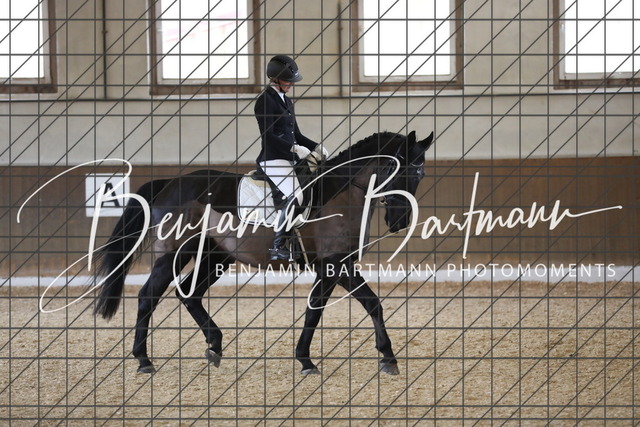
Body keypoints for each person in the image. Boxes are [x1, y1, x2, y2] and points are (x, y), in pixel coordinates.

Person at [254, 55, 327, 261]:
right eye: (288, 81)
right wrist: (294, 148)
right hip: (273, 159)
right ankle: (278, 245)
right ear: (275, 79)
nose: (291, 85)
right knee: (296, 196)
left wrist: (316, 147)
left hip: (290, 157)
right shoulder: (265, 101)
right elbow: (268, 135)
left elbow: (297, 134)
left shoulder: (286, 100)